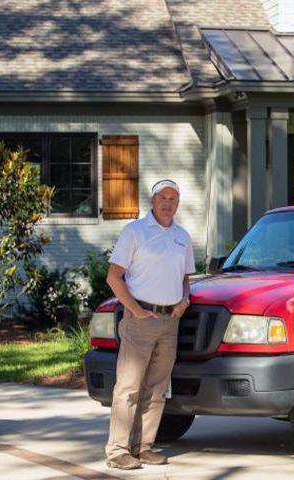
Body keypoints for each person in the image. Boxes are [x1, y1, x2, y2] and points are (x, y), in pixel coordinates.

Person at [104, 179, 195, 470]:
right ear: (152, 201)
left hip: (171, 321)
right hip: (140, 320)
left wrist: (184, 301)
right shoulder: (135, 232)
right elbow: (113, 277)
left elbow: (185, 278)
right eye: (163, 198)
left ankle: (143, 447)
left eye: (174, 199)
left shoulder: (182, 236)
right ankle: (118, 451)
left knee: (156, 388)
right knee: (129, 386)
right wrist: (136, 311)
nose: (169, 203)